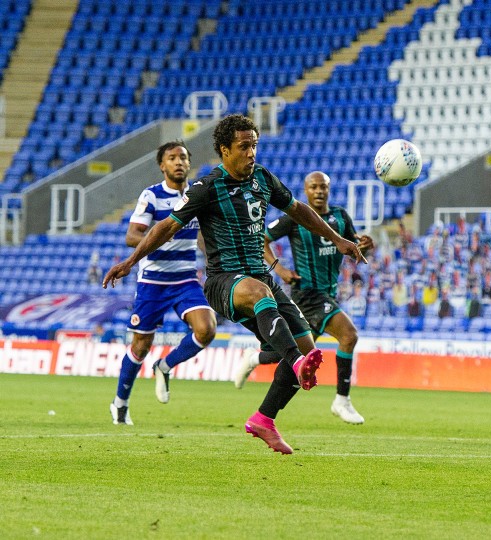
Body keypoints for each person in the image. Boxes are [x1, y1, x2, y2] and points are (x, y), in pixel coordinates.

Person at [103, 114, 366, 454]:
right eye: (244, 147)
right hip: (223, 282)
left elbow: (299, 211)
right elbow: (165, 227)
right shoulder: (207, 187)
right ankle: (295, 362)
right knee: (272, 313)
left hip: (261, 278)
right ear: (225, 150)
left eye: (254, 145)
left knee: (307, 345)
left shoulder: (262, 178)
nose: (251, 153)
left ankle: (264, 419)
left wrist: (339, 239)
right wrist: (129, 262)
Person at [232, 171, 374, 425]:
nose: (319, 191)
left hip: (328, 294)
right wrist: (279, 268)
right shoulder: (294, 218)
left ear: (329, 189)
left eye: (323, 187)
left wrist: (364, 246)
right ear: (306, 190)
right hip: (306, 293)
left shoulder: (340, 217)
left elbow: (351, 245)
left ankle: (254, 359)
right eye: (314, 187)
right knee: (349, 335)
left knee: (294, 354)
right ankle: (342, 401)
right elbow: (263, 239)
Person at [109, 140, 217, 425]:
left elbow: (203, 238)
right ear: (162, 165)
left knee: (206, 330)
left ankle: (165, 366)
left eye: (183, 157)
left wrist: (214, 259)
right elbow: (132, 235)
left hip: (185, 280)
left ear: (189, 164)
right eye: (172, 158)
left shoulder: (197, 194)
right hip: (153, 282)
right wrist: (162, 234)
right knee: (140, 346)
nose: (178, 162)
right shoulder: (152, 195)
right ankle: (120, 403)